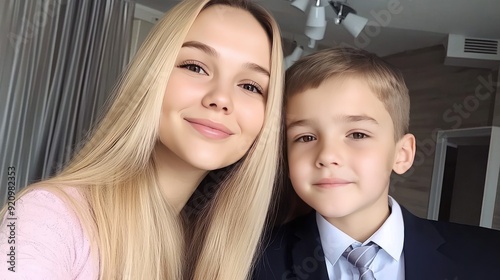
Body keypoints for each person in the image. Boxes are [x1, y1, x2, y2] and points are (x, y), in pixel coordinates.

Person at [0, 0, 284, 279]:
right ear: (150, 77)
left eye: (250, 86)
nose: (221, 99)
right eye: (195, 67)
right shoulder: (48, 217)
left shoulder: (211, 245)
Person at [253, 47, 500, 280]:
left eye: (357, 134)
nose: (327, 155)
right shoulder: (252, 261)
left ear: (402, 154)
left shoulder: (490, 256)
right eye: (306, 137)